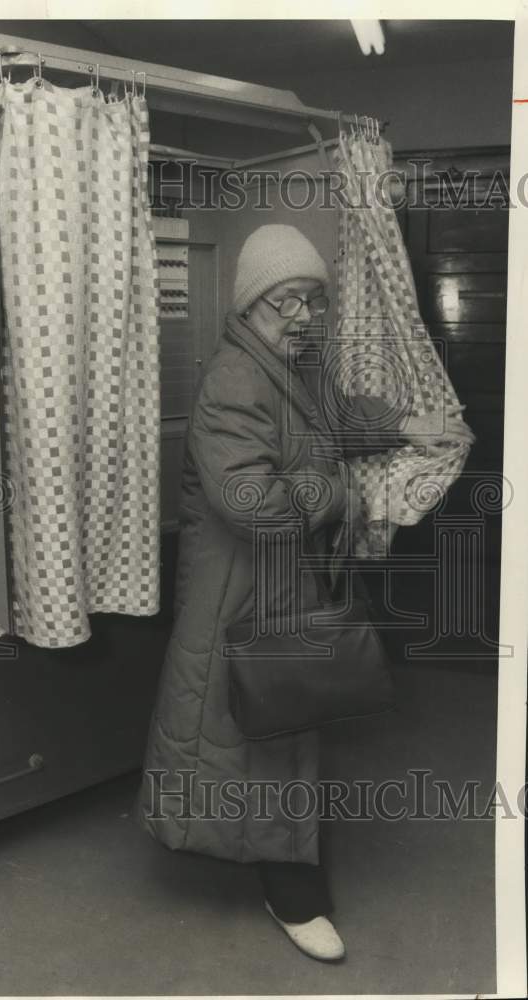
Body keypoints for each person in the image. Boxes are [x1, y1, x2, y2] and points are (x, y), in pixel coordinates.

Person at [137, 224, 475, 961]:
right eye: (285, 301)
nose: (302, 315)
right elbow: (251, 501)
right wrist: (338, 491)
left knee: (275, 728)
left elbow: (335, 415)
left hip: (280, 580)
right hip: (242, 589)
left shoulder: (294, 360)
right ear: (252, 303)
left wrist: (401, 424)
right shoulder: (235, 378)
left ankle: (281, 868)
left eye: (310, 301)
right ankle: (291, 889)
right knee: (264, 731)